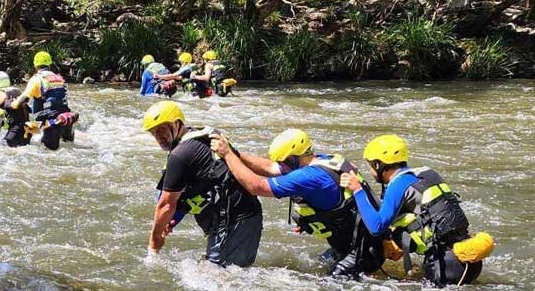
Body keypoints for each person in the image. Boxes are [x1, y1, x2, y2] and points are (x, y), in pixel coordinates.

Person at [210, 128, 384, 278]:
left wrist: (227, 155)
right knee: (319, 264)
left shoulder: (309, 176)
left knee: (327, 289)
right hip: (362, 243)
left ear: (293, 159)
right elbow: (270, 167)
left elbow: (257, 186)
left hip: (362, 252)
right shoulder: (325, 160)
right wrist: (236, 153)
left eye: (283, 162)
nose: (280, 167)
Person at [341, 135, 494, 287]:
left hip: (446, 265)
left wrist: (357, 190)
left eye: (369, 166)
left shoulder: (399, 184)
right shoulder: (426, 174)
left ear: (377, 165)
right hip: (468, 261)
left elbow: (376, 227)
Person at [141, 100, 262, 266]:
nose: (158, 136)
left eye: (162, 128)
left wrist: (154, 246)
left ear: (177, 124)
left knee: (219, 279)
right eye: (153, 132)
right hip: (244, 216)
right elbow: (198, 187)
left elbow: (166, 205)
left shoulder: (181, 155)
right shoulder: (202, 138)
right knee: (225, 274)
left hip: (232, 222)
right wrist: (173, 219)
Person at [11, 51, 78, 150]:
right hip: (66, 120)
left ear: (35, 66)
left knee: (49, 153)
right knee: (70, 149)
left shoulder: (37, 79)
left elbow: (24, 98)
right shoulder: (59, 78)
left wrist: (14, 103)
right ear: (49, 64)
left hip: (51, 122)